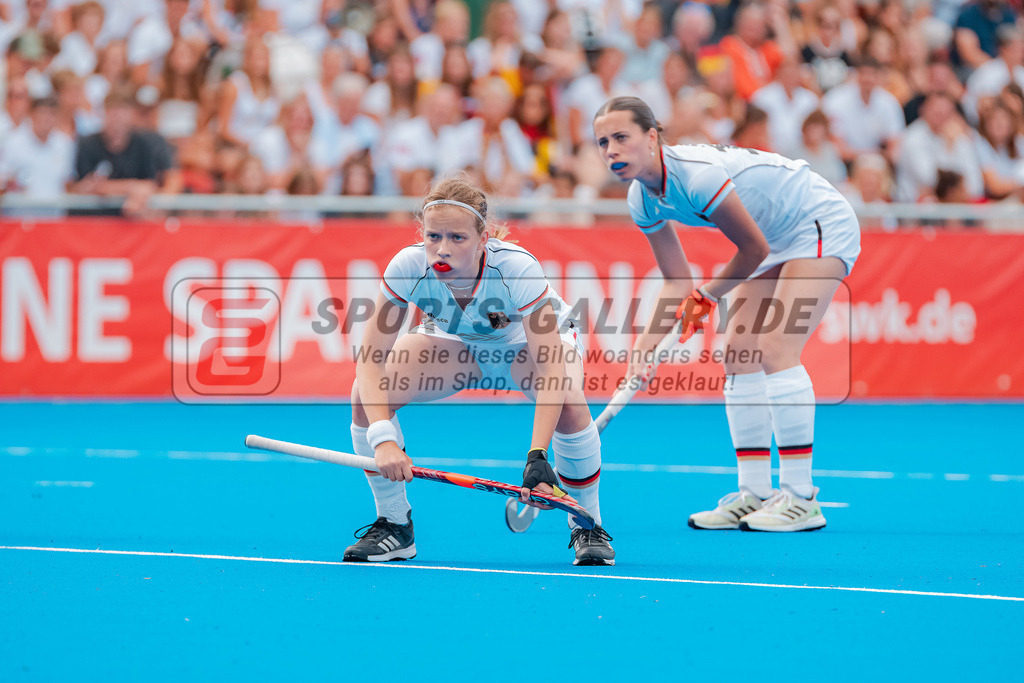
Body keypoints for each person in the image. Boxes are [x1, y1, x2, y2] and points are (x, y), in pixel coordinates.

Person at [592, 96, 861, 532]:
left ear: (652, 137)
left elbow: (751, 249)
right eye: (603, 142)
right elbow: (677, 281)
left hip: (817, 218)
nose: (611, 150)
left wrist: (709, 296)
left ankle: (801, 496)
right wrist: (643, 345)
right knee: (737, 352)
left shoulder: (695, 177)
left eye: (622, 137)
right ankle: (753, 493)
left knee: (775, 346)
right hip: (774, 235)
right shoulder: (641, 198)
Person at [345, 175, 614, 565]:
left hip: (528, 346)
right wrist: (383, 439)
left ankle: (588, 526)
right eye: (433, 236)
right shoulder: (408, 266)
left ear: (483, 238)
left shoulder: (517, 268)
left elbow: (552, 366)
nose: (442, 248)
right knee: (364, 397)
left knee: (569, 405)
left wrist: (537, 455)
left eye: (457, 238)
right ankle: (394, 525)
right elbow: (370, 356)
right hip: (461, 345)